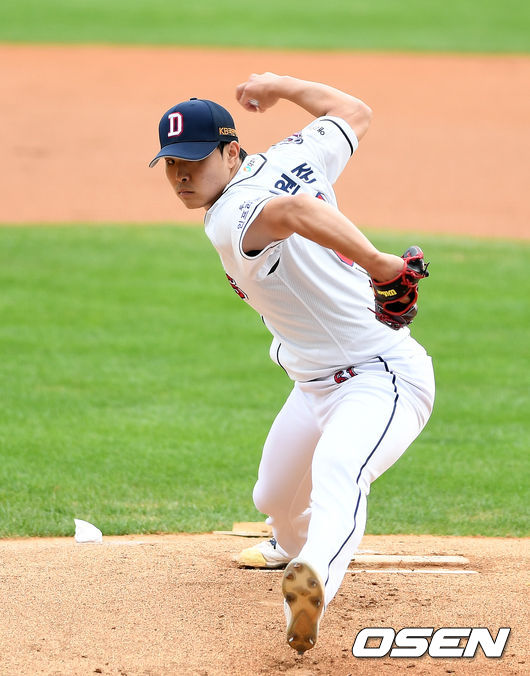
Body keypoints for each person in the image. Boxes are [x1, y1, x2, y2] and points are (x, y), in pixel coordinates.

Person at [149, 73, 435, 655]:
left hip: (382, 377)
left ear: (232, 152)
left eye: (194, 161)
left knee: (338, 471)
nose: (181, 176)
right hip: (310, 387)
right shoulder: (294, 154)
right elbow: (353, 111)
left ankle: (314, 580)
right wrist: (280, 85)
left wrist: (380, 264)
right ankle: (290, 545)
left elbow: (296, 210)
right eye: (172, 163)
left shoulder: (230, 217)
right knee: (273, 498)